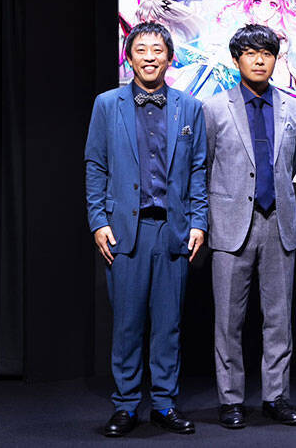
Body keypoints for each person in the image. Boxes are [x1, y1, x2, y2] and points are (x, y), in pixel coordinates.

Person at [84, 22, 208, 437]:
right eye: (141, 49)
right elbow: (95, 164)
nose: (150, 56)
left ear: (170, 57)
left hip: (173, 230)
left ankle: (165, 404)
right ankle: (125, 405)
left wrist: (199, 222)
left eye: (157, 49)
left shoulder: (189, 108)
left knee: (169, 325)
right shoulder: (107, 104)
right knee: (127, 324)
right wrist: (98, 221)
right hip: (125, 231)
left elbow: (198, 170)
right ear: (129, 57)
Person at [203, 24, 296, 429]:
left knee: (278, 318)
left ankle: (276, 397)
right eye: (250, 53)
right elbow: (205, 165)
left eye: (267, 53)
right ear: (236, 60)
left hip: (278, 221)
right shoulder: (214, 108)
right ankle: (231, 399)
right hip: (231, 225)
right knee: (228, 320)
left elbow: (290, 164)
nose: (260, 60)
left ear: (276, 59)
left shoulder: (294, 109)